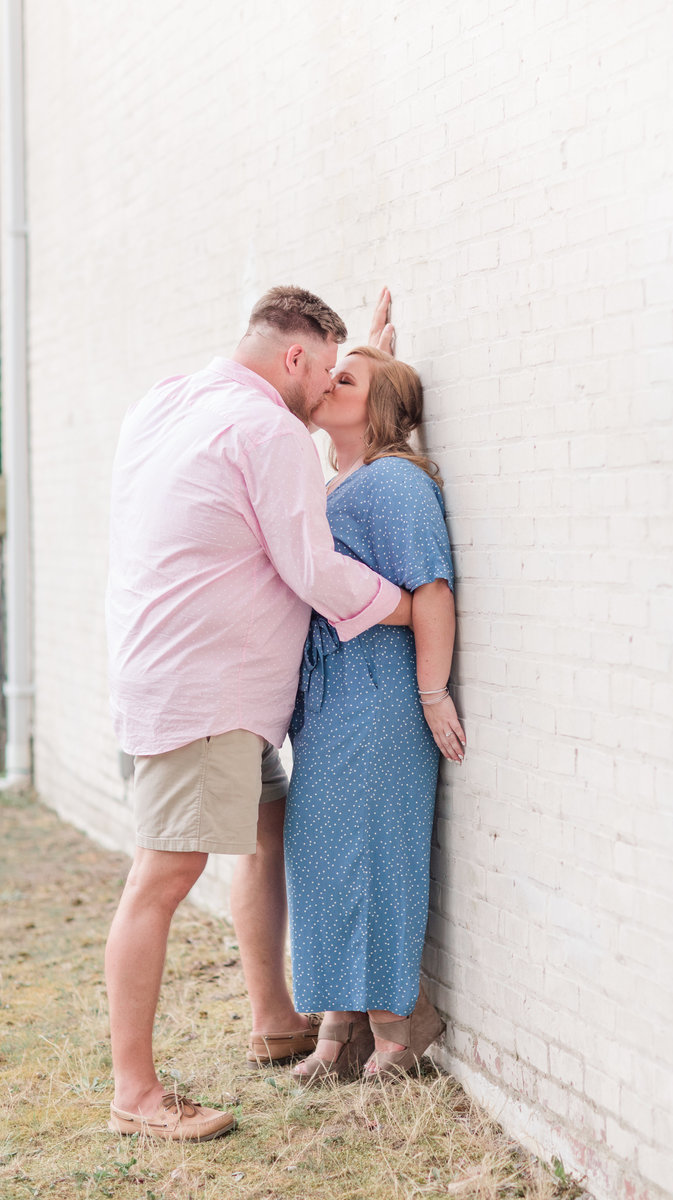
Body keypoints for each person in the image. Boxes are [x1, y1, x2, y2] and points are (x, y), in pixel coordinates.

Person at [104, 287, 410, 1141]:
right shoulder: (268, 430)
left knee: (269, 824)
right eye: (325, 377)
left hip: (161, 672)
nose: (322, 399)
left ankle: (275, 1016)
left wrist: (367, 368)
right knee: (162, 879)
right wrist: (413, 606)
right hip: (208, 696)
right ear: (295, 359)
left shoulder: (169, 399)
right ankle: (136, 1094)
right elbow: (313, 567)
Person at [281, 344, 466, 1084]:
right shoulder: (339, 481)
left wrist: (433, 692)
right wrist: (372, 344)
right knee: (323, 857)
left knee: (375, 859)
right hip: (329, 707)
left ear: (380, 407)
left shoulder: (395, 482)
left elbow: (432, 591)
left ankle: (396, 1035)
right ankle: (338, 1028)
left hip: (379, 701)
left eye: (345, 378)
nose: (328, 382)